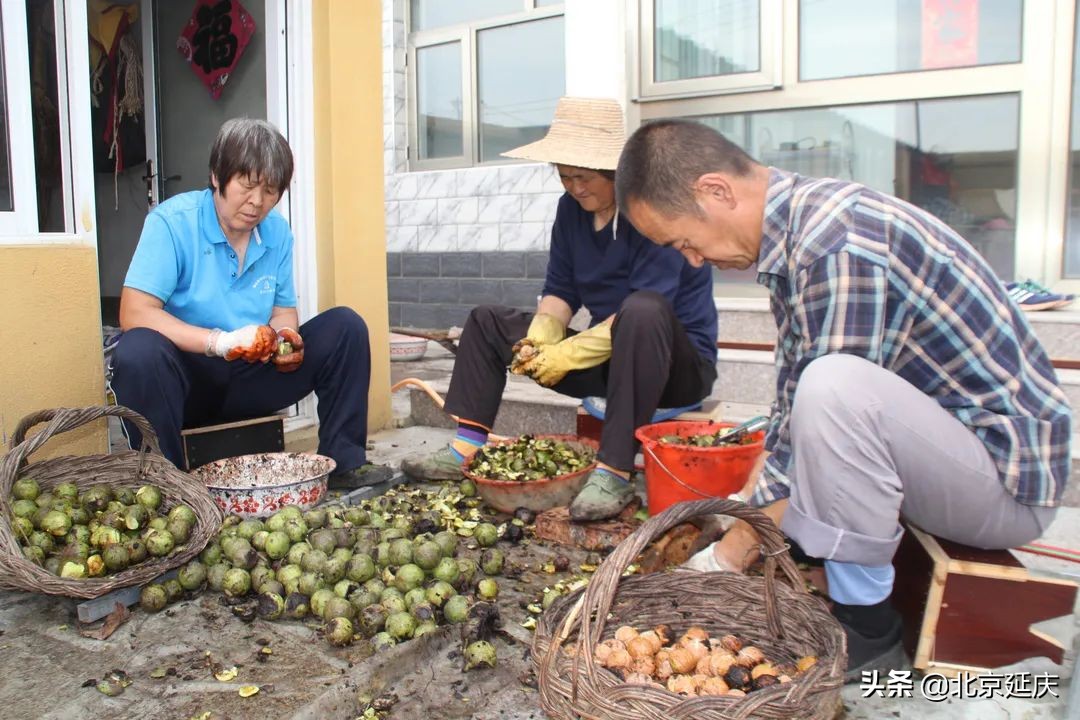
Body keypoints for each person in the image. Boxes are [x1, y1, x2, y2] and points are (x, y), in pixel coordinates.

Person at [615, 119, 1071, 679]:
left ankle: (868, 624)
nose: (690, 260)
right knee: (817, 402)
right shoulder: (801, 236)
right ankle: (817, 560)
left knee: (836, 388)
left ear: (717, 191)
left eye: (684, 241)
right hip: (954, 458)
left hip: (1005, 484)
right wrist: (741, 505)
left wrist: (731, 552)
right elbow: (790, 416)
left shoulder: (836, 244)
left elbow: (831, 411)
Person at [401, 98, 719, 521]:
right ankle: (465, 446)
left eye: (583, 177)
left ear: (616, 172)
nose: (574, 187)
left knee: (641, 311)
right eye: (565, 177)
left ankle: (613, 473)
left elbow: (643, 314)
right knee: (486, 320)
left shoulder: (652, 212)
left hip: (674, 365)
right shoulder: (571, 211)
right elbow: (561, 290)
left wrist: (567, 355)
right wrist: (541, 340)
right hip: (612, 356)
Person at [111, 118, 391, 489]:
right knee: (137, 350)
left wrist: (283, 337)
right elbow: (134, 311)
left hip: (249, 375)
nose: (258, 201)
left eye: (271, 189)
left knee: (346, 327)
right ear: (216, 176)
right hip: (187, 378)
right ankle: (167, 485)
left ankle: (344, 463)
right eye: (247, 184)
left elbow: (282, 311)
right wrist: (219, 342)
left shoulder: (277, 232)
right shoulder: (172, 223)